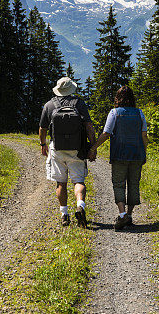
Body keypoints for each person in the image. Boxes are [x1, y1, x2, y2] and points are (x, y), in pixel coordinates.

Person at [88, 85, 148, 230]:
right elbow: (144, 136)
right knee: (134, 184)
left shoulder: (114, 113)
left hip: (119, 154)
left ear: (117, 98)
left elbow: (107, 133)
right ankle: (129, 215)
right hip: (137, 155)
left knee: (119, 183)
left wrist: (93, 148)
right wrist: (144, 153)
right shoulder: (140, 113)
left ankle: (122, 215)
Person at [39, 76, 97, 227]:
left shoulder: (49, 105)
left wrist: (43, 144)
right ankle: (80, 205)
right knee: (78, 181)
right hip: (77, 149)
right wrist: (92, 146)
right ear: (71, 89)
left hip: (57, 148)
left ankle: (64, 214)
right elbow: (89, 127)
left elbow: (42, 128)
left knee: (61, 183)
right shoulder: (79, 104)